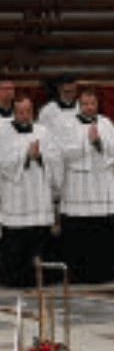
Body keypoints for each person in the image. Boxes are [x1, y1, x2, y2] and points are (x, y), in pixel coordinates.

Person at [52, 87, 114, 284]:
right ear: (79, 104)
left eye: (92, 104)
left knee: (102, 230)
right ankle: (77, 274)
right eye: (85, 104)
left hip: (101, 183)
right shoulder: (66, 124)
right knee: (79, 230)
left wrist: (100, 142)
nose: (89, 107)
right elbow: (62, 150)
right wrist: (87, 142)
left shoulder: (106, 123)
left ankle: (104, 273)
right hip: (78, 183)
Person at [0, 97, 59, 289]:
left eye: (28, 111)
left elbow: (56, 159)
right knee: (15, 243)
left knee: (39, 241)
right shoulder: (4, 132)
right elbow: (3, 162)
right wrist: (26, 155)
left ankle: (38, 280)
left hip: (39, 195)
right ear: (14, 112)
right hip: (17, 196)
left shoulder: (43, 131)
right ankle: (14, 280)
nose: (25, 116)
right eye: (21, 112)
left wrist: (41, 156)